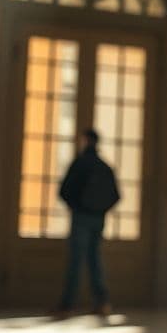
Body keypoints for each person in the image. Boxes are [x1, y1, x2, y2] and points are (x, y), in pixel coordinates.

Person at [52, 128, 120, 319]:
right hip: (98, 218)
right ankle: (102, 302)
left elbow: (64, 190)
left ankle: (67, 305)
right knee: (95, 259)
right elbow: (115, 195)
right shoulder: (105, 167)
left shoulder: (80, 163)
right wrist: (100, 210)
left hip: (81, 217)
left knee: (76, 260)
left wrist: (76, 206)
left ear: (85, 141)